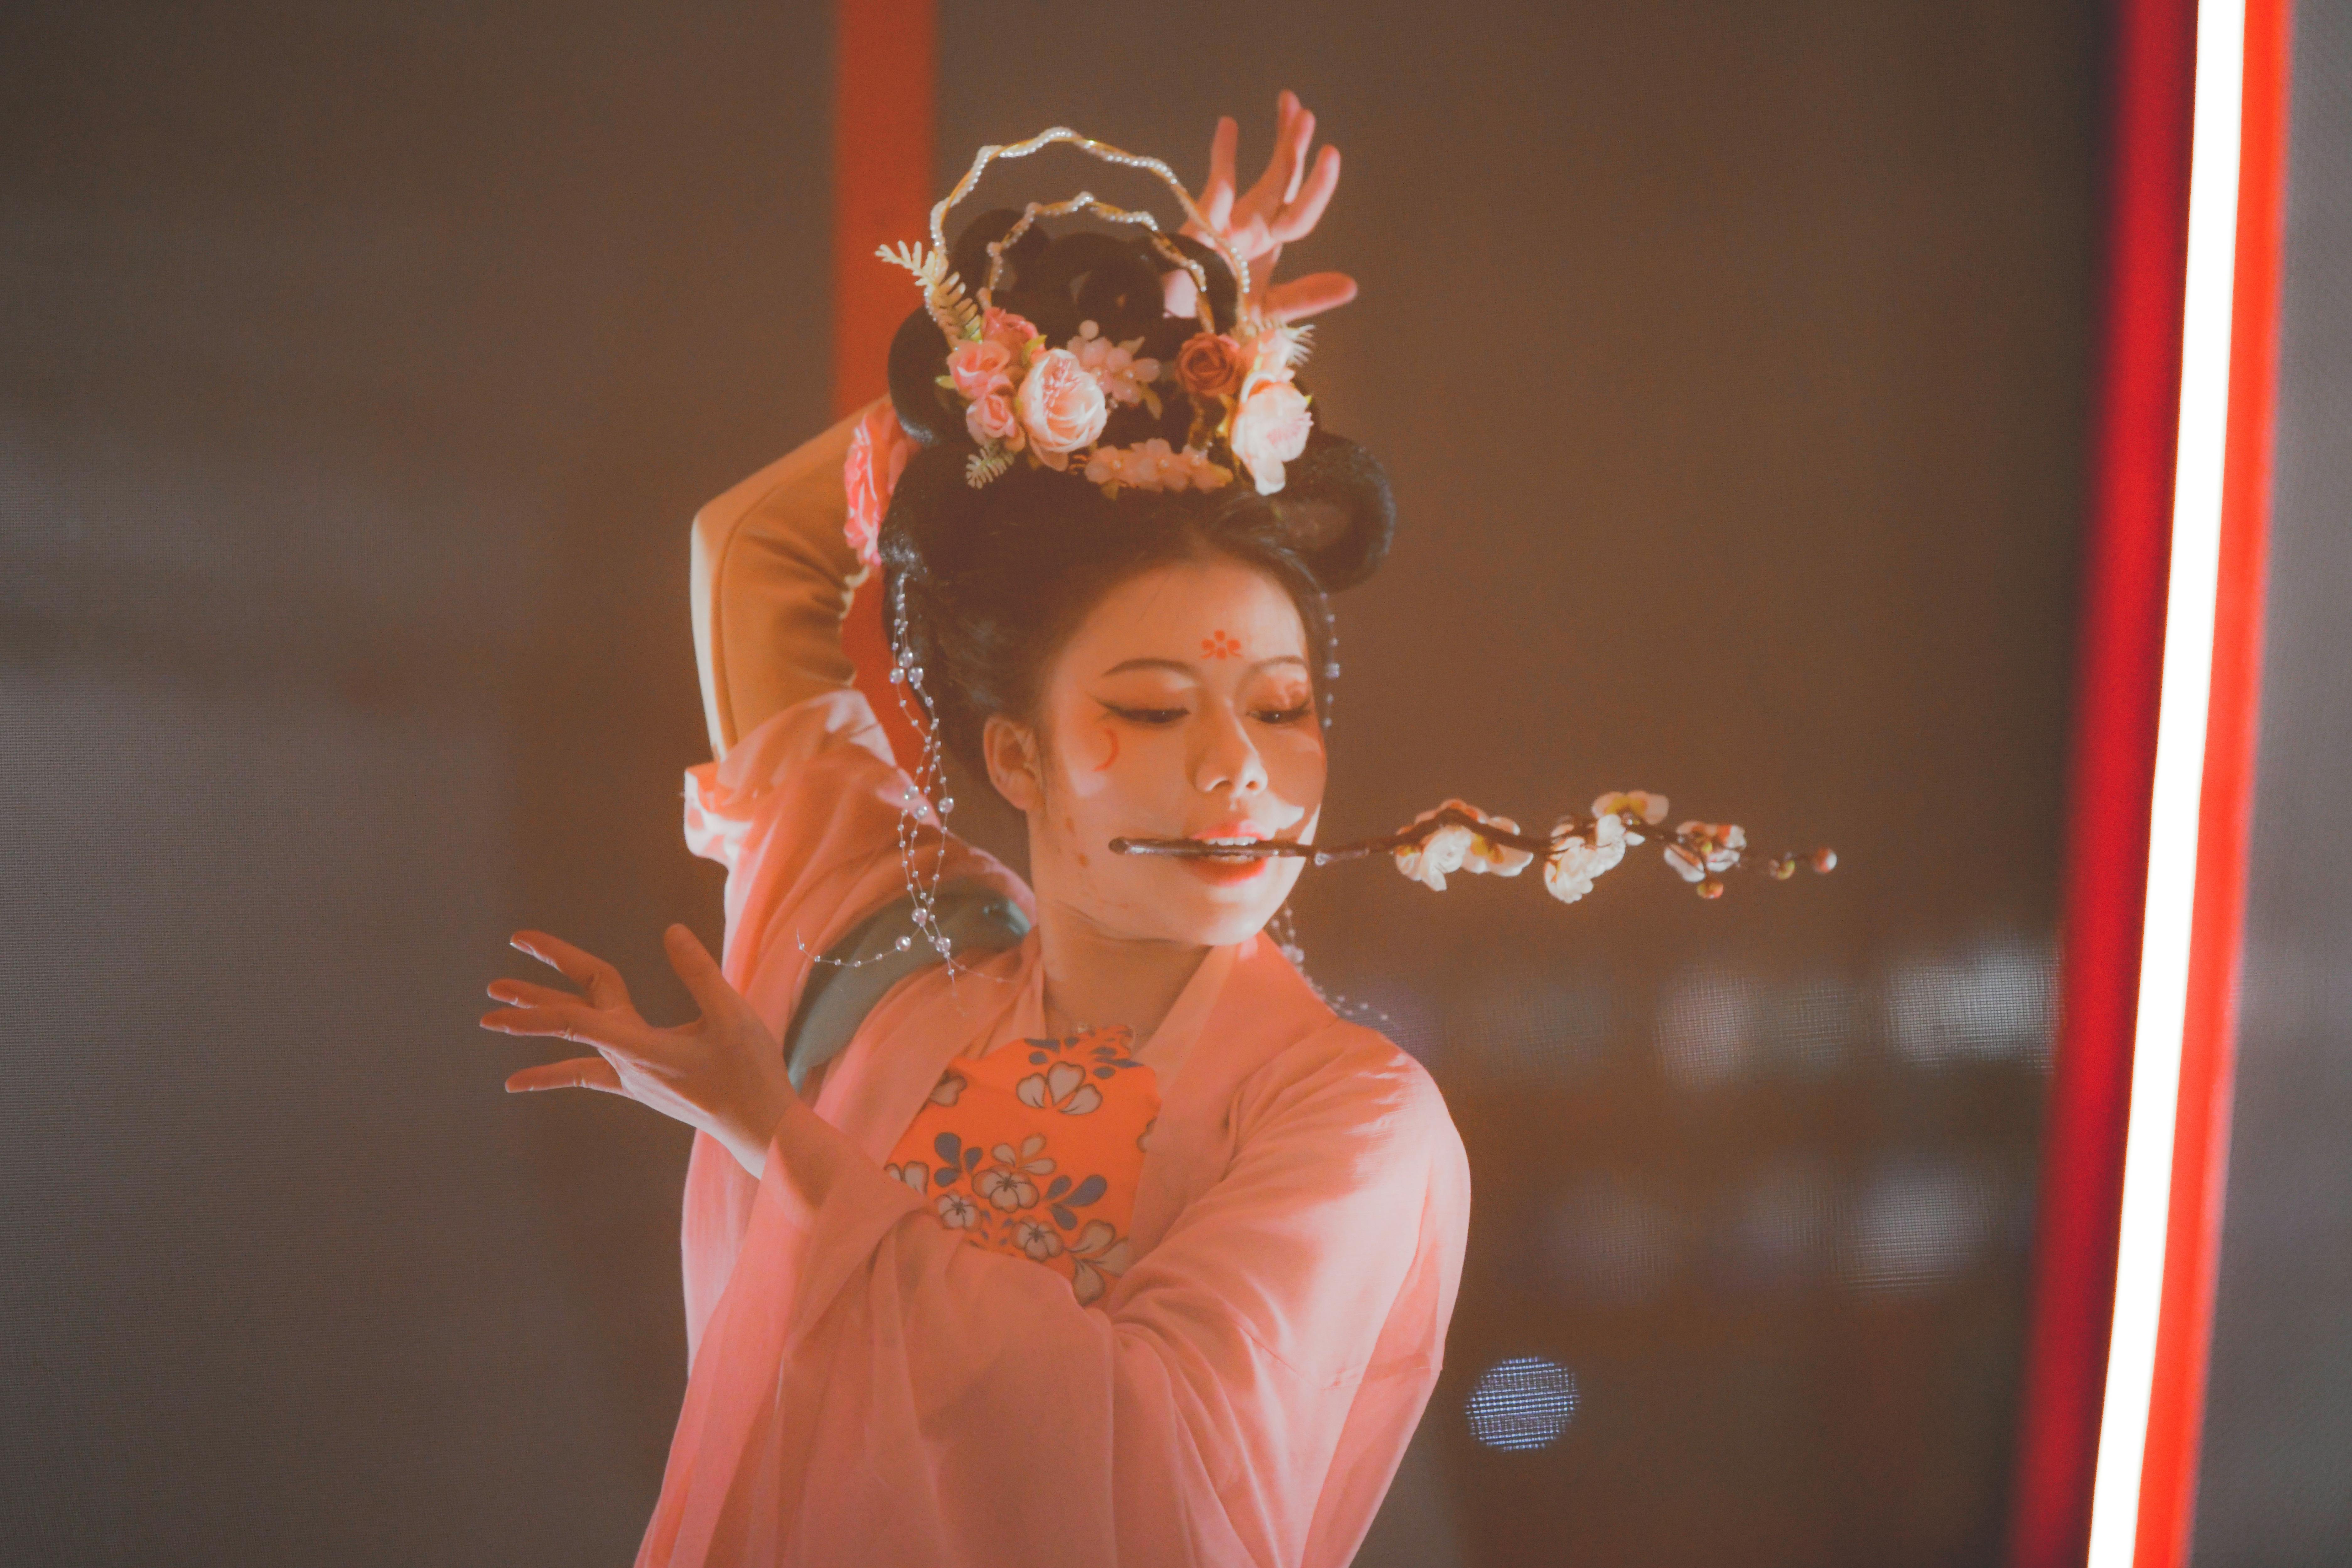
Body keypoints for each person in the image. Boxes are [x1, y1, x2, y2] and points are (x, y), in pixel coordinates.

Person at [482, 94, 1470, 1568]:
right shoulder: (897, 951)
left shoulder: (1342, 1116)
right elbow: (760, 554)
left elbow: (1148, 1476)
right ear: (1015, 751)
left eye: (1277, 708)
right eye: (1147, 710)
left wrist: (779, 1137)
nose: (1235, 775)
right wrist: (1106, 359)